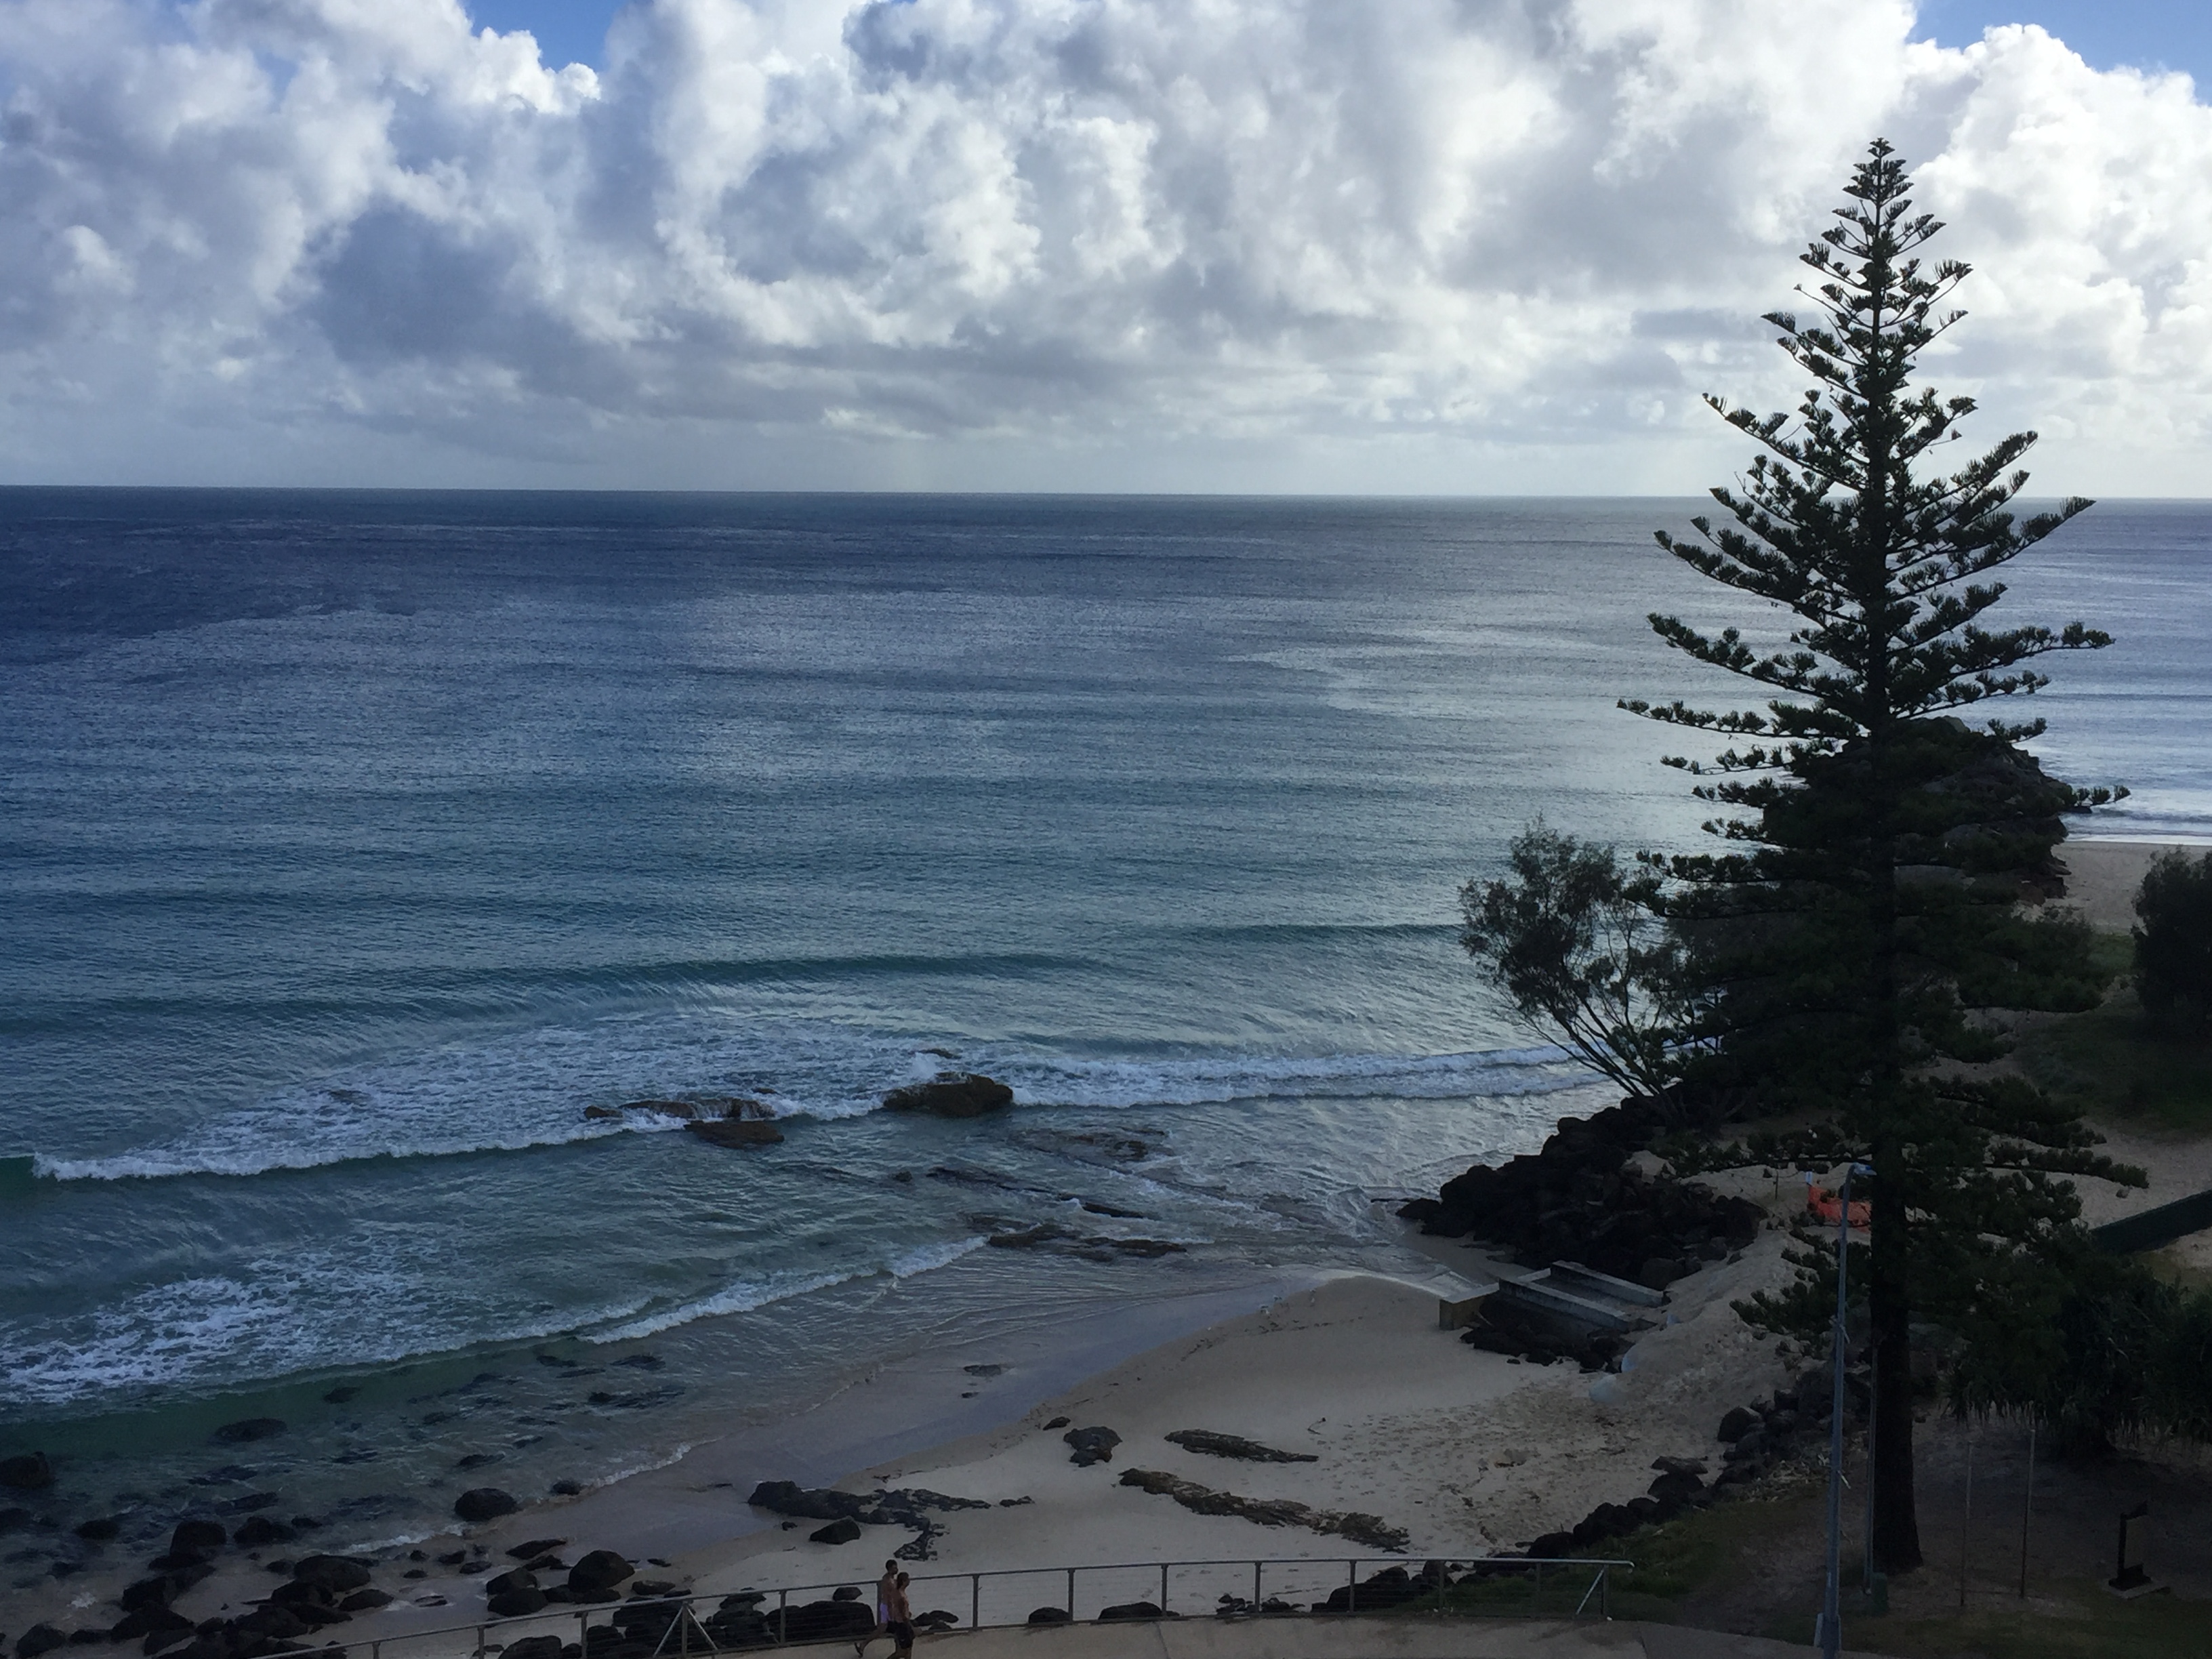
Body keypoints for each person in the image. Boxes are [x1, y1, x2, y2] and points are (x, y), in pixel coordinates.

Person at [858, 1560, 900, 1657]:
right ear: (889, 1569)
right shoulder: (887, 1580)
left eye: (896, 1567)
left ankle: (898, 1651)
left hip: (890, 1607)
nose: (896, 1569)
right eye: (894, 1568)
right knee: (882, 1630)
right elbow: (888, 1596)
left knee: (896, 1629)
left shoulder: (892, 1579)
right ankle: (863, 1644)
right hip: (887, 1608)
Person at [886, 1571, 915, 1659]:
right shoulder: (901, 1596)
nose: (909, 1581)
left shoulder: (896, 1591)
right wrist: (910, 1625)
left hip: (898, 1622)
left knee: (909, 1648)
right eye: (908, 1579)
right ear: (904, 1581)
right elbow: (902, 1612)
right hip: (902, 1624)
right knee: (903, 1651)